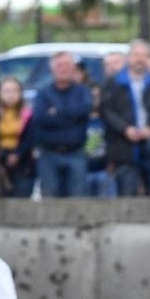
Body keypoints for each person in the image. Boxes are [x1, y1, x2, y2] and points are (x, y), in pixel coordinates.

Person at [101, 39, 150, 197]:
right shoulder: (113, 83)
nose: (140, 60)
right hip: (123, 141)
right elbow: (107, 111)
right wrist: (125, 129)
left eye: (144, 56)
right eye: (136, 55)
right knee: (127, 190)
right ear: (128, 57)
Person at [30, 51, 93, 198]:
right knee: (50, 198)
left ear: (73, 68)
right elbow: (40, 118)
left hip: (76, 152)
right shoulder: (43, 93)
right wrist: (71, 116)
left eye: (67, 65)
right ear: (52, 69)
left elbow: (84, 110)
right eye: (59, 65)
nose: (63, 69)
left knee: (78, 198)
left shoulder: (83, 92)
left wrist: (57, 113)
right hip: (49, 153)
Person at [0, 77, 34, 198]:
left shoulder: (27, 114)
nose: (11, 95)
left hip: (22, 161)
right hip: (0, 162)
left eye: (15, 91)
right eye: (6, 91)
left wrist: (17, 154)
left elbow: (29, 138)